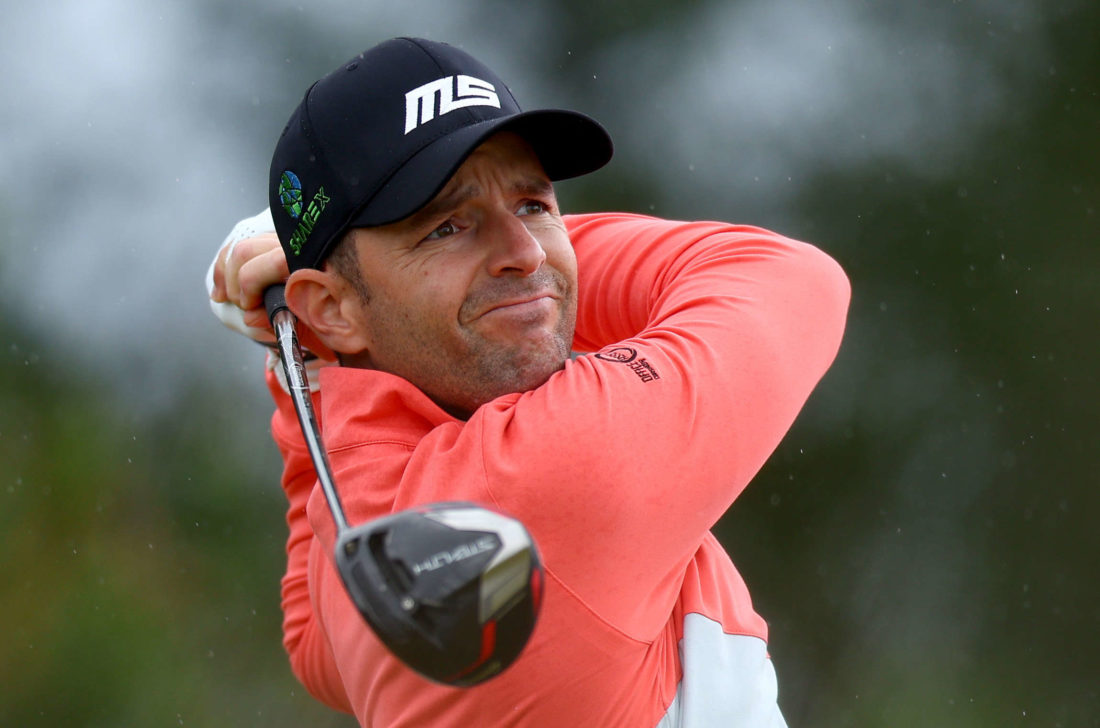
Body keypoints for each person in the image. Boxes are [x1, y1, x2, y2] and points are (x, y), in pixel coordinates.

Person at [207, 37, 849, 727]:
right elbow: (790, 279)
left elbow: (315, 643)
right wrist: (542, 272)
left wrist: (311, 339)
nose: (521, 252)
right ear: (335, 310)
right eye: (447, 226)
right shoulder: (557, 465)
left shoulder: (367, 529)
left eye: (535, 206)